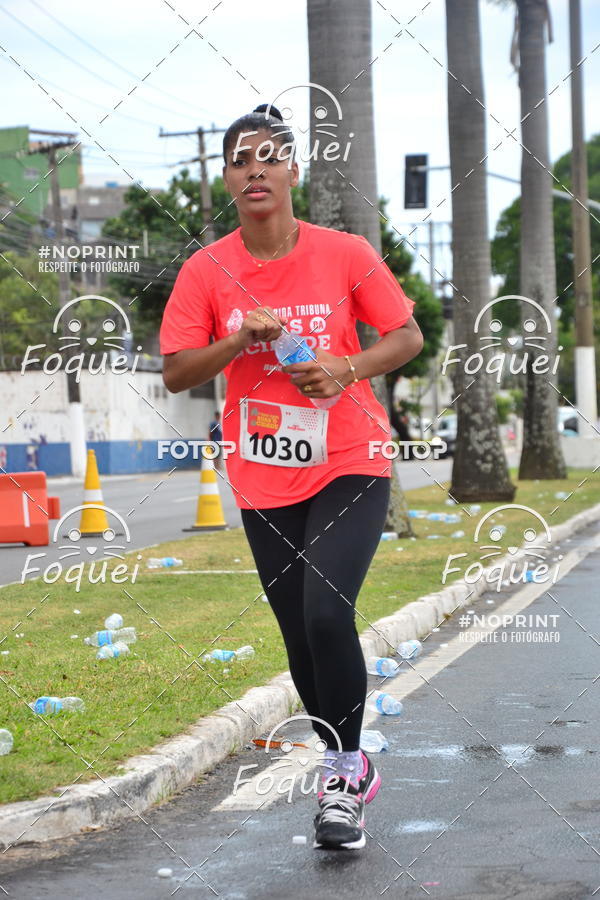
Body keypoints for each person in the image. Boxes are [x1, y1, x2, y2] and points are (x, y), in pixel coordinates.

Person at [160, 104, 423, 852]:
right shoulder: (205, 271)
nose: (255, 170)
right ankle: (344, 756)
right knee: (298, 639)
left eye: (269, 157)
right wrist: (238, 336)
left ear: (292, 171)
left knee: (323, 613)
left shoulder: (343, 253)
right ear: (227, 177)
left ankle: (344, 775)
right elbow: (178, 372)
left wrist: (347, 367)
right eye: (241, 160)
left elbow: (405, 335)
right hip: (264, 472)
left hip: (350, 459)